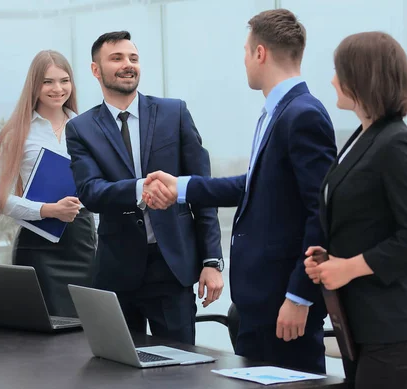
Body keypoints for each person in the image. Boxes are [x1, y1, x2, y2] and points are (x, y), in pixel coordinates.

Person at [144, 9, 336, 371]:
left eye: (246, 52)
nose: (245, 61)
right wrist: (182, 187)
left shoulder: (302, 114)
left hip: (284, 302)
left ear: (260, 53)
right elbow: (254, 186)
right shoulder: (277, 112)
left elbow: (322, 213)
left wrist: (300, 296)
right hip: (260, 303)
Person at [65, 31, 224, 345]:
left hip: (172, 268)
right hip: (117, 272)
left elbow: (201, 190)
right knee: (119, 371)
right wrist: (140, 189)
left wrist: (211, 262)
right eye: (117, 58)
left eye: (133, 58)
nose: (128, 65)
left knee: (181, 371)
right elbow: (91, 192)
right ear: (96, 70)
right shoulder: (80, 128)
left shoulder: (174, 112)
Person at [303, 31, 407, 388]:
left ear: (362, 76)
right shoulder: (364, 135)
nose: (331, 80)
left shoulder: (396, 142)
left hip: (389, 323)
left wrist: (348, 268)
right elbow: (363, 220)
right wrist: (330, 256)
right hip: (357, 319)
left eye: (338, 71)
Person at [0, 50, 96, 318]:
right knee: (44, 338)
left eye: (64, 80)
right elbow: (1, 200)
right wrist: (49, 210)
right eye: (48, 81)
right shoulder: (16, 132)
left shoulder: (89, 127)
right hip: (38, 246)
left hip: (82, 242)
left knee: (84, 330)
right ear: (34, 84)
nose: (57, 89)